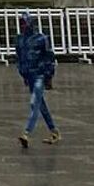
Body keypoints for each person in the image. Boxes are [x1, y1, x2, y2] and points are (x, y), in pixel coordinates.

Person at [15, 12, 59, 148]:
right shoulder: (20, 40)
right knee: (41, 105)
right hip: (30, 75)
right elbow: (20, 58)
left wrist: (49, 75)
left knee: (35, 103)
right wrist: (23, 75)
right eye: (21, 23)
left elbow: (49, 57)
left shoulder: (41, 39)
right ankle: (54, 131)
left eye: (24, 23)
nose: (22, 26)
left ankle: (26, 132)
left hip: (40, 74)